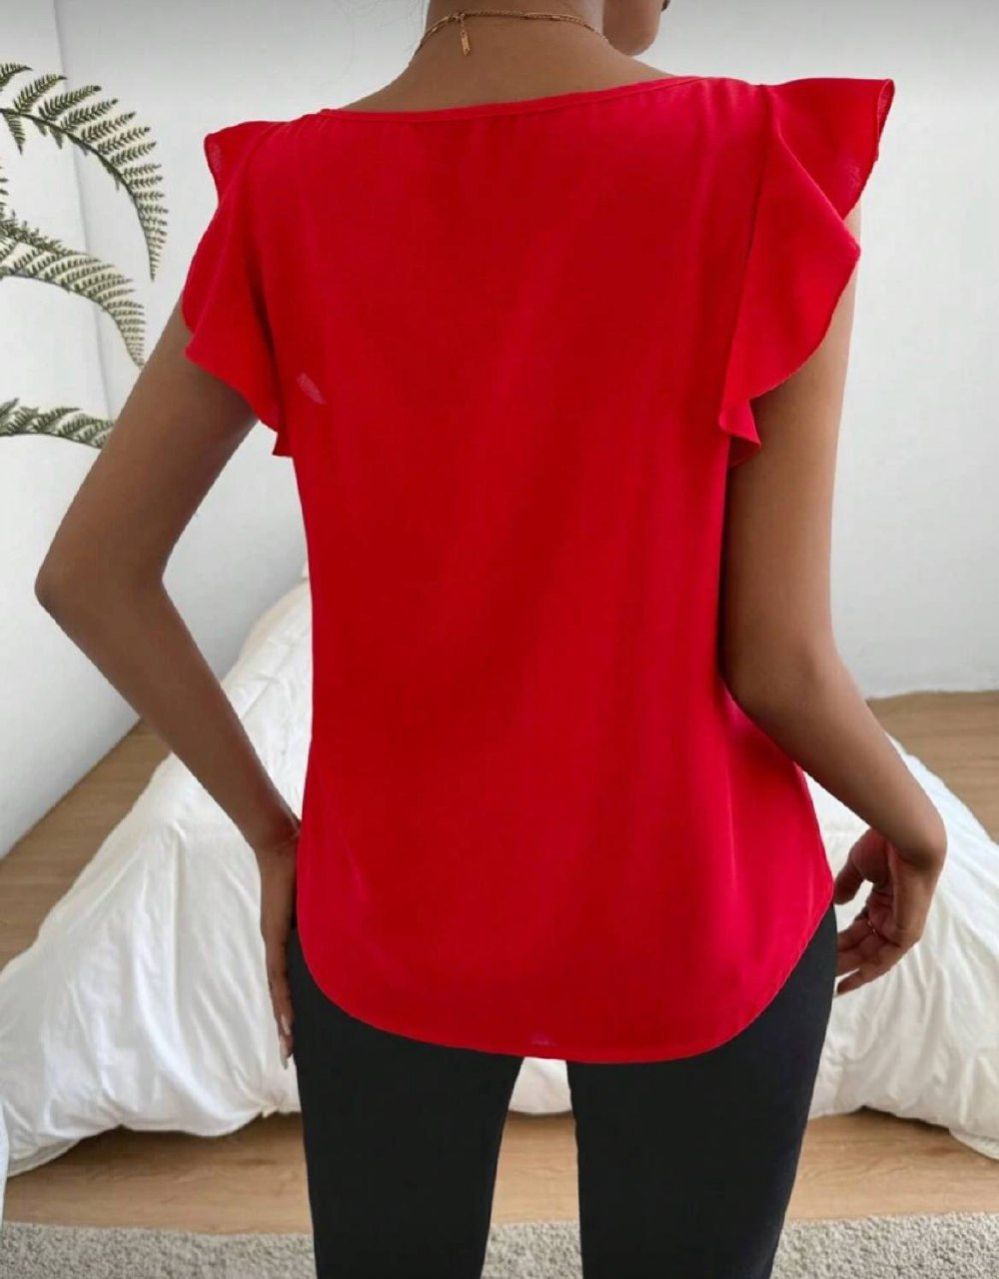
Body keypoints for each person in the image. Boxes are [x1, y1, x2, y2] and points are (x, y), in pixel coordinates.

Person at [35, 2, 948, 1276]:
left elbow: (90, 575)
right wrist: (916, 827)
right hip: (697, 911)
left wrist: (276, 835)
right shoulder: (758, 160)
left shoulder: (288, 189)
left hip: (387, 919)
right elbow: (778, 659)